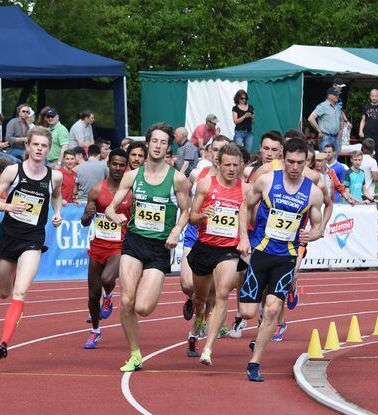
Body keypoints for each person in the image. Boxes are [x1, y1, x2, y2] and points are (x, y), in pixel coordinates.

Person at [104, 122, 190, 372]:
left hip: (159, 248)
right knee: (127, 301)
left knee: (142, 307)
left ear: (168, 148)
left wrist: (176, 230)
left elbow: (186, 212)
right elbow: (111, 206)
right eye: (155, 141)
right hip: (134, 241)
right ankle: (135, 354)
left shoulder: (178, 179)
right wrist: (114, 215)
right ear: (148, 143)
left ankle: (150, 289)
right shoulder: (132, 176)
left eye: (164, 142)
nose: (158, 146)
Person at [240, 137, 324, 381]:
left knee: (273, 309)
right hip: (260, 252)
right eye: (290, 161)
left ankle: (254, 363)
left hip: (286, 257)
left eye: (300, 162)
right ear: (283, 159)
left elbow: (319, 226)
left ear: (306, 161)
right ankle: (256, 323)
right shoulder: (266, 181)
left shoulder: (313, 193)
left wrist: (313, 235)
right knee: (246, 312)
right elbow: (245, 207)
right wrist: (244, 237)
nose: (295, 167)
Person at [0, 127, 64, 359]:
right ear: (28, 146)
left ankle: (3, 342)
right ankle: (7, 287)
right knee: (4, 292)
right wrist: (8, 206)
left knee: (20, 292)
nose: (40, 149)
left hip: (33, 239)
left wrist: (57, 212)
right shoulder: (13, 171)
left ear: (49, 150)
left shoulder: (55, 176)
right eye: (36, 145)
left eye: (44, 146)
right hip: (9, 237)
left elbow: (57, 195)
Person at [187, 143, 250, 365]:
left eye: (236, 165)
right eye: (227, 165)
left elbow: (247, 218)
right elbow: (192, 217)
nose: (232, 169)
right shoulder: (205, 184)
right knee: (201, 298)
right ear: (218, 164)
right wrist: (203, 215)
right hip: (205, 247)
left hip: (229, 250)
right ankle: (199, 320)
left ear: (241, 165)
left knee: (223, 294)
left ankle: (208, 348)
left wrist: (244, 237)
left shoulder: (246, 190)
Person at [79, 148, 130, 349]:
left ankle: (108, 297)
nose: (117, 168)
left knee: (108, 279)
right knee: (92, 294)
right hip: (98, 245)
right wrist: (88, 215)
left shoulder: (130, 192)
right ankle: (95, 330)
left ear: (125, 167)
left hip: (119, 245)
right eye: (114, 164)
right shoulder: (96, 190)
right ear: (108, 165)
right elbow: (84, 221)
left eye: (121, 165)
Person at [308, 87, 344, 153]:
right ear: (329, 95)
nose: (337, 96)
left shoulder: (338, 107)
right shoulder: (322, 106)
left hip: (336, 137)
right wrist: (319, 130)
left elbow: (340, 120)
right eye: (335, 94)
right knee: (324, 159)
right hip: (325, 137)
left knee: (334, 158)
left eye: (338, 94)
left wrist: (339, 133)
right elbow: (311, 118)